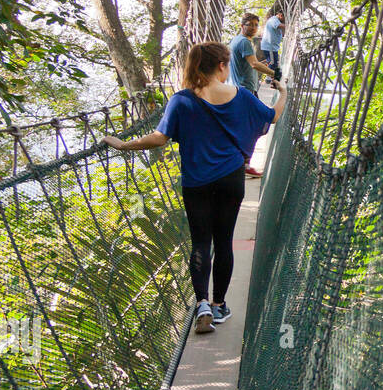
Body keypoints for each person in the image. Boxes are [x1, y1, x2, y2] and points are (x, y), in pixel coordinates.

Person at [101, 42, 286, 335]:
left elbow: (160, 138)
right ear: (223, 66)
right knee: (224, 241)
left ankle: (201, 303)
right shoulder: (242, 97)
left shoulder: (181, 100)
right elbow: (272, 117)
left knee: (201, 242)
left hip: (196, 182)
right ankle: (220, 305)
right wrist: (284, 93)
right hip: (231, 180)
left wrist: (125, 144)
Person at [229, 14, 276, 176]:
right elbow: (254, 64)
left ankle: (240, 162)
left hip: (241, 91)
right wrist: (274, 73)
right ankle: (244, 164)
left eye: (256, 25)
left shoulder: (237, 41)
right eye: (250, 24)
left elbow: (250, 64)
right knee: (260, 124)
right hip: (245, 92)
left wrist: (264, 66)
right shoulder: (244, 42)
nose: (254, 28)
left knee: (249, 126)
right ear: (242, 25)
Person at [261, 8, 285, 81]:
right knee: (272, 62)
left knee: (273, 62)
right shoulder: (273, 20)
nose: (284, 21)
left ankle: (271, 77)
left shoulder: (276, 20)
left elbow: (279, 32)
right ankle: (268, 78)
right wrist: (290, 26)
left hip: (272, 47)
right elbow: (278, 26)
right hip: (269, 47)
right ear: (280, 15)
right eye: (284, 18)